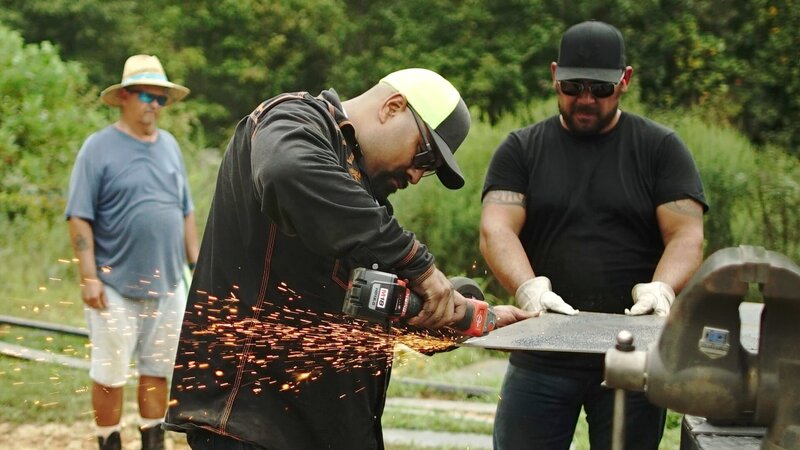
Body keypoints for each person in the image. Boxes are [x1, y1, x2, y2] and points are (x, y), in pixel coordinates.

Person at [164, 68, 533, 449]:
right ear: (393, 107)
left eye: (429, 170)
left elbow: (378, 306)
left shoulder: (361, 200)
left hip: (320, 431)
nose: (416, 175)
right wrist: (417, 262)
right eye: (424, 156)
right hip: (254, 428)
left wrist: (469, 317)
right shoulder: (294, 119)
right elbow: (287, 171)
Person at [480, 21, 708, 450]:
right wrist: (528, 288)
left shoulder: (660, 149)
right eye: (572, 87)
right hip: (541, 350)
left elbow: (687, 235)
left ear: (625, 80)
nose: (585, 99)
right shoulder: (521, 149)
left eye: (600, 89)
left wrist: (662, 288)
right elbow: (496, 229)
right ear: (554, 76)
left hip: (632, 354)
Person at [66, 54, 199, 450]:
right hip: (114, 286)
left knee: (157, 371)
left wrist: (198, 266)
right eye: (147, 96)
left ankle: (152, 441)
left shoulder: (170, 146)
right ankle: (109, 441)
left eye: (161, 98)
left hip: (168, 284)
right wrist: (89, 277)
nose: (155, 105)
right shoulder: (98, 148)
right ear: (124, 96)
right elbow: (79, 216)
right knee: (110, 375)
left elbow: (185, 211)